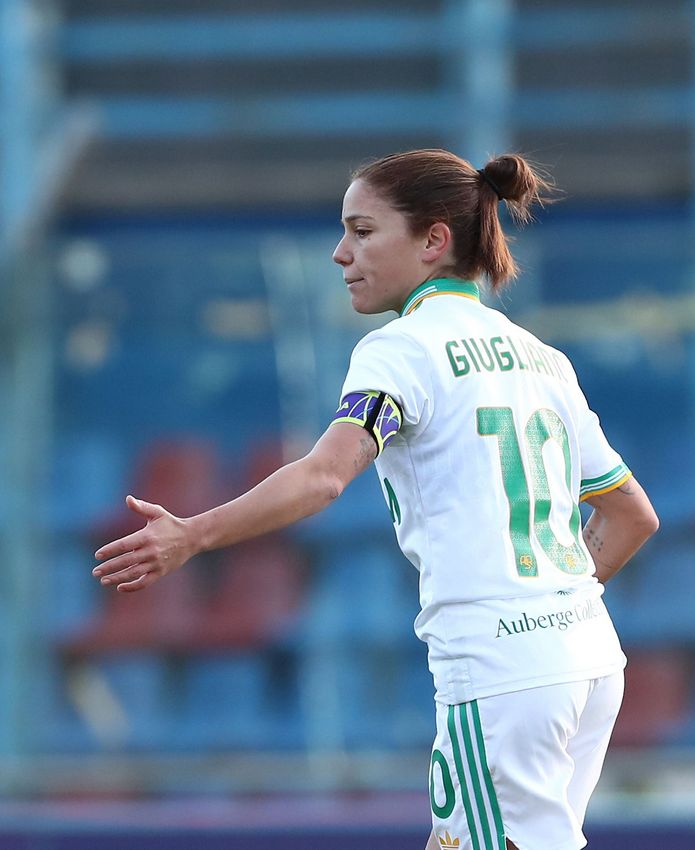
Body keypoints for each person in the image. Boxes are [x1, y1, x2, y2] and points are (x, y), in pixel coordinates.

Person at [94, 148, 659, 850]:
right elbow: (631, 515)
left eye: (362, 231)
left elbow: (323, 476)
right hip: (587, 658)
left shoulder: (402, 351)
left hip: (501, 671)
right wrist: (551, 607)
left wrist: (193, 534)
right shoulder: (544, 359)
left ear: (432, 240)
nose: (340, 253)